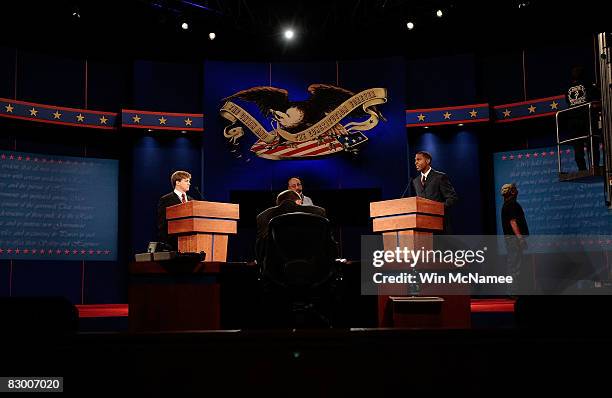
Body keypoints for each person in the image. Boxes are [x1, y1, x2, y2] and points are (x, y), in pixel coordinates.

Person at [255, 189, 326, 262]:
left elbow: (260, 250)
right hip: (315, 267)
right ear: (298, 201)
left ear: (279, 204)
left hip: (276, 268)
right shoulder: (318, 212)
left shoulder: (263, 217)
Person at [564, 65, 601, 171]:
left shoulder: (568, 88)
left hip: (573, 120)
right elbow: (597, 94)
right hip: (586, 117)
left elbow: (567, 100)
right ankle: (595, 166)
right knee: (592, 141)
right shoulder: (587, 84)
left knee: (577, 145)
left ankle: (582, 168)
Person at [412, 151, 459, 233]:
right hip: (423, 227)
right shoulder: (415, 181)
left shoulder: (439, 177)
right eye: (415, 160)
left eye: (419, 159)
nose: (416, 162)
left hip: (440, 226)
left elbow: (452, 198)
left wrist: (438, 208)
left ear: (427, 161)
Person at [500, 183, 529, 296]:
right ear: (511, 191)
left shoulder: (507, 204)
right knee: (515, 265)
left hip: (511, 239)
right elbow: (513, 222)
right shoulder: (511, 205)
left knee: (514, 264)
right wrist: (520, 238)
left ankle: (513, 290)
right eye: (515, 189)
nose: (517, 190)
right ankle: (513, 291)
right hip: (513, 239)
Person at [157, 170, 193, 250]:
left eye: (189, 181)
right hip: (172, 244)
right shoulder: (166, 200)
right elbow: (162, 224)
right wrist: (165, 244)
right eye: (186, 181)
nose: (189, 183)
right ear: (178, 182)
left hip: (190, 243)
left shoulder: (192, 201)